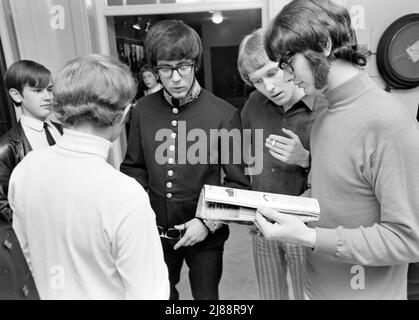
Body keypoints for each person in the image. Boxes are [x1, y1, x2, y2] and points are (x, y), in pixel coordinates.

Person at [255, 0, 419, 300]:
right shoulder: (323, 117)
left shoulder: (390, 122)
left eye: (288, 63)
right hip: (315, 288)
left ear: (324, 44)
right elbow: (333, 198)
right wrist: (281, 209)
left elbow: (409, 239)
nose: (288, 77)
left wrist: (310, 236)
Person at [8, 54, 169, 300]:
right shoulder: (125, 194)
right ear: (122, 114)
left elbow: (23, 258)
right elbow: (149, 292)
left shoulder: (25, 170)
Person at [121, 20, 250, 300]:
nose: (176, 78)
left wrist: (205, 223)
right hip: (155, 234)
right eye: (165, 69)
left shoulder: (225, 114)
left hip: (206, 238)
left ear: (196, 64)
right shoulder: (142, 110)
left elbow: (239, 185)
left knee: (206, 298)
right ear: (155, 69)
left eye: (183, 67)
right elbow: (133, 168)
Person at [238, 28, 327, 300]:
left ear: (288, 63)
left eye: (271, 72)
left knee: (306, 296)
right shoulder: (253, 104)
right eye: (257, 81)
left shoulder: (325, 106)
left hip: (306, 227)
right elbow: (245, 156)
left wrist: (305, 159)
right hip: (263, 222)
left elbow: (343, 176)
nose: (269, 87)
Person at [0, 60, 63, 300]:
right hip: (39, 247)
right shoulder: (6, 148)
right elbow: (3, 207)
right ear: (16, 95)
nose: (47, 96)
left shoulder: (64, 131)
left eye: (49, 89)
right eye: (37, 91)